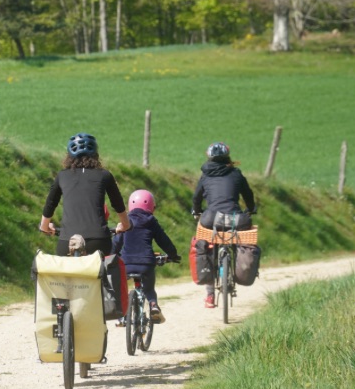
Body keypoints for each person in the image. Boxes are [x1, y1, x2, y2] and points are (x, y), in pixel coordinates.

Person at [39, 133, 130, 256]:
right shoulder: (105, 175)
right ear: (96, 155)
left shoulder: (62, 176)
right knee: (101, 271)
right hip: (99, 241)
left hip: (67, 241)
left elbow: (50, 204)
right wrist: (125, 225)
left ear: (69, 156)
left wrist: (45, 226)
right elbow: (117, 203)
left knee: (65, 273)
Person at [191, 142, 256, 308]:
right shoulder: (236, 173)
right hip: (236, 219)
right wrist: (250, 209)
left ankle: (210, 295)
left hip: (211, 218)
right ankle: (237, 270)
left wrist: (196, 211)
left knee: (207, 244)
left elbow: (197, 198)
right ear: (227, 157)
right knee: (236, 239)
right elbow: (248, 194)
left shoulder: (205, 176)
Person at [111, 190, 180, 323]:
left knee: (122, 287)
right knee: (149, 288)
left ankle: (122, 313)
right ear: (151, 206)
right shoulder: (151, 221)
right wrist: (172, 254)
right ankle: (153, 305)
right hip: (146, 263)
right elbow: (163, 240)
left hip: (126, 264)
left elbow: (116, 243)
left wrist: (112, 255)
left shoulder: (125, 221)